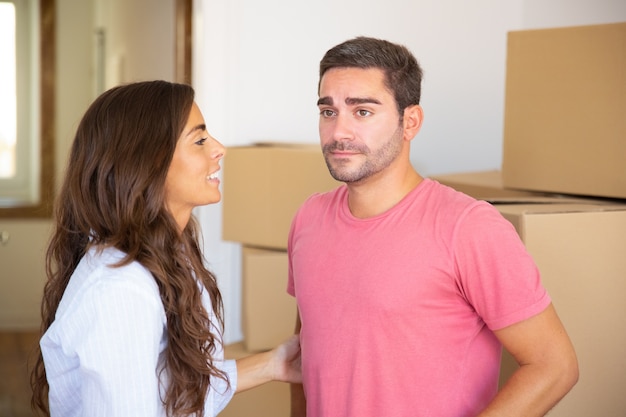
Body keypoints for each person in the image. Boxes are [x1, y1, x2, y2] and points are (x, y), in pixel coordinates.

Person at [287, 37, 578, 417]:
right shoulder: (308, 218)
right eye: (328, 112)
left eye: (362, 112)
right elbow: (304, 354)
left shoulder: (469, 227)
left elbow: (555, 366)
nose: (339, 132)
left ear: (410, 122)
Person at [29, 80, 301, 417]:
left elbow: (173, 395)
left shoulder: (167, 254)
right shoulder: (120, 290)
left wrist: (273, 364)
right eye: (199, 140)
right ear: (148, 161)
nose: (219, 149)